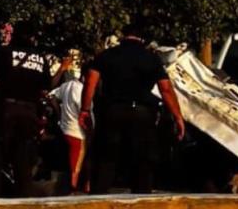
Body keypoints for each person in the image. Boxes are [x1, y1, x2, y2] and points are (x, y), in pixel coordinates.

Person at [79, 23, 185, 194]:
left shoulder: (106, 56)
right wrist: (177, 116)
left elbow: (91, 81)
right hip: (142, 114)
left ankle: (98, 198)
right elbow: (165, 89)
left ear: (123, 36)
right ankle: (142, 198)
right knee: (142, 163)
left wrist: (85, 110)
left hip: (112, 111)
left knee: (106, 160)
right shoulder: (151, 58)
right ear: (142, 38)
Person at [0, 22, 51, 197]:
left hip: (6, 109)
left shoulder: (4, 52)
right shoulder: (40, 57)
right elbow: (45, 88)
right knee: (23, 160)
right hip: (29, 112)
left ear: (14, 34)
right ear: (32, 36)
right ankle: (23, 199)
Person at [48, 49, 91, 193]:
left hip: (65, 129)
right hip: (78, 133)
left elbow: (51, 95)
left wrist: (59, 113)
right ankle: (73, 192)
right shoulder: (82, 91)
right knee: (76, 168)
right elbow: (86, 114)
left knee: (70, 165)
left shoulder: (67, 86)